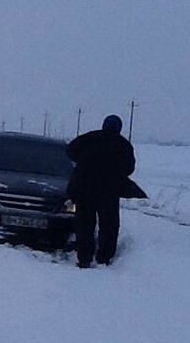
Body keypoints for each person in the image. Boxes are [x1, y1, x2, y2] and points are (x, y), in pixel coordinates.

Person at [66, 114, 135, 268]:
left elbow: (70, 150)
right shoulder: (123, 145)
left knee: (85, 225)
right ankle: (104, 257)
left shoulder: (89, 138)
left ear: (104, 125)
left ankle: (84, 258)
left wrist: (84, 161)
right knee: (109, 225)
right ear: (119, 128)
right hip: (109, 192)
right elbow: (130, 168)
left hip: (85, 189)